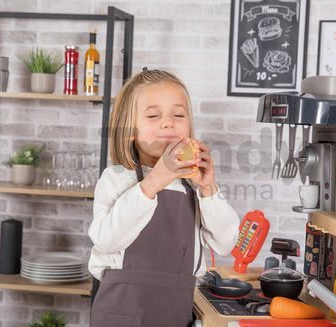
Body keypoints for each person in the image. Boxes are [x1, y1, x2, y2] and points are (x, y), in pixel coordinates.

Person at [88, 68, 240, 327]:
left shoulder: (192, 187)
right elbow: (105, 240)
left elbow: (226, 243)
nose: (168, 122)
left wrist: (209, 189)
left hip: (176, 314)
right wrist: (154, 182)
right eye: (153, 115)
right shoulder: (115, 179)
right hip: (121, 313)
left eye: (178, 115)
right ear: (130, 131)